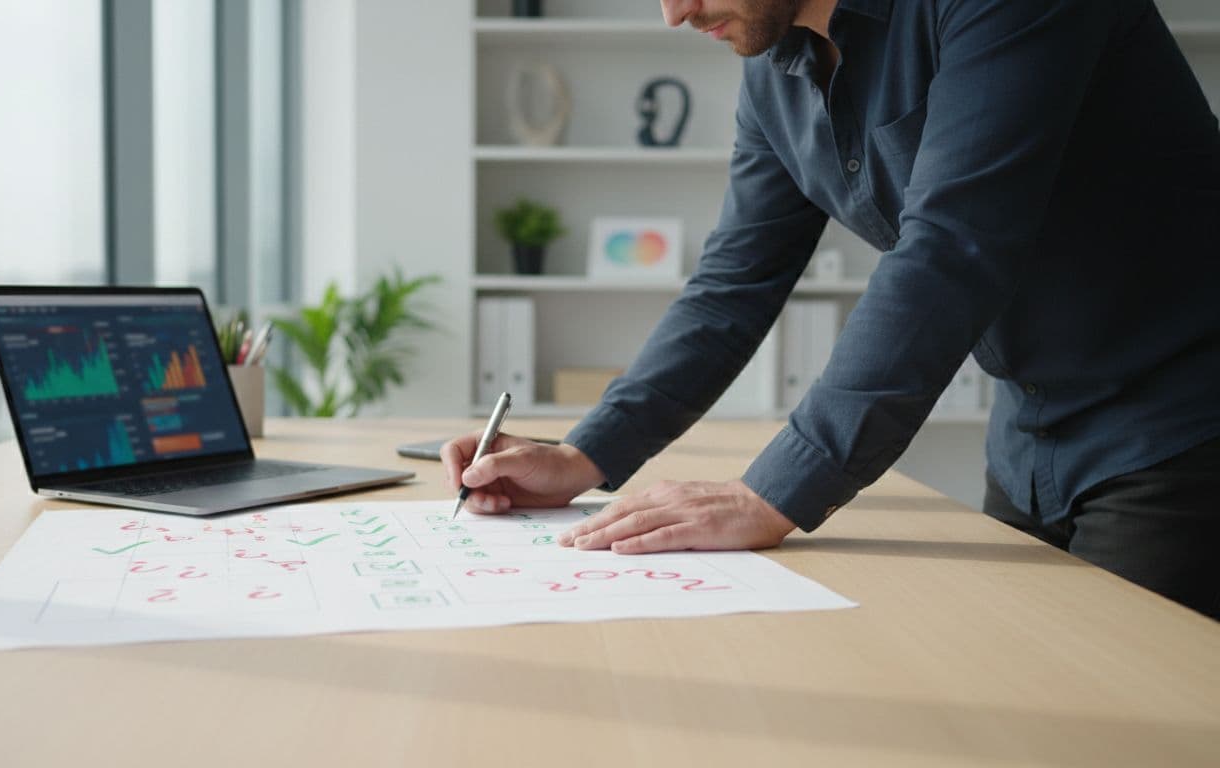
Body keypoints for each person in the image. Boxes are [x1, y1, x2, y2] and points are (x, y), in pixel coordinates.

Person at [441, 0, 1220, 619]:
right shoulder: (777, 70)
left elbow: (951, 249)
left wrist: (772, 493)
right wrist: (586, 457)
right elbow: (733, 283)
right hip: (1027, 438)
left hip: (1179, 432)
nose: (672, 13)